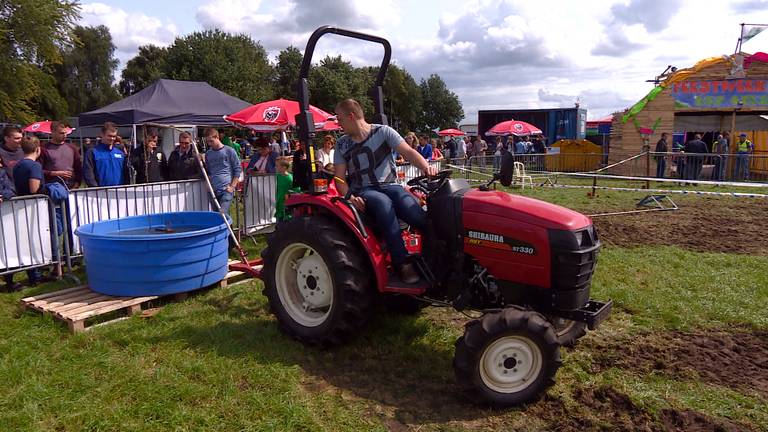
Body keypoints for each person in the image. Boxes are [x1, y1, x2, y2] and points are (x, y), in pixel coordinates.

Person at [332, 98, 437, 284]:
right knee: (382, 203)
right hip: (364, 189)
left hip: (391, 185)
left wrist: (426, 167)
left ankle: (435, 256)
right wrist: (349, 197)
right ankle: (402, 263)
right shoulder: (342, 144)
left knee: (414, 212)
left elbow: (408, 152)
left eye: (339, 118)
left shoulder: (383, 132)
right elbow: (339, 178)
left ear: (351, 116)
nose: (337, 123)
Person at [203, 128, 241, 214]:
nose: (209, 144)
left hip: (225, 189)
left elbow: (237, 169)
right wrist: (208, 184)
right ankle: (228, 227)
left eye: (211, 141)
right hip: (213, 190)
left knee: (222, 214)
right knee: (217, 216)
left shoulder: (229, 151)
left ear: (217, 137)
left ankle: (228, 227)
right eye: (207, 142)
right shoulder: (208, 154)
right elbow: (208, 171)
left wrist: (232, 187)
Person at [0, 156, 22, 291]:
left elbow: (11, 190)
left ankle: (9, 282)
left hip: (4, 218)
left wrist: (3, 196)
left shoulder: (2, 173)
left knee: (7, 248)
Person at [83, 123, 129, 187]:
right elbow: (88, 174)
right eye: (109, 136)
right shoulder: (92, 152)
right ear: (102, 134)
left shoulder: (120, 153)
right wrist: (95, 188)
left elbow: (126, 173)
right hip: (100, 193)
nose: (112, 139)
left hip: (120, 192)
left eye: (114, 136)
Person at [40, 121, 83, 189]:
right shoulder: (44, 149)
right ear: (52, 132)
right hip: (53, 188)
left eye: (66, 133)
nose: (65, 135)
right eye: (61, 133)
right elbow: (39, 170)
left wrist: (77, 183)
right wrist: (56, 173)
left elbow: (78, 168)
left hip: (71, 187)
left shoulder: (72, 148)